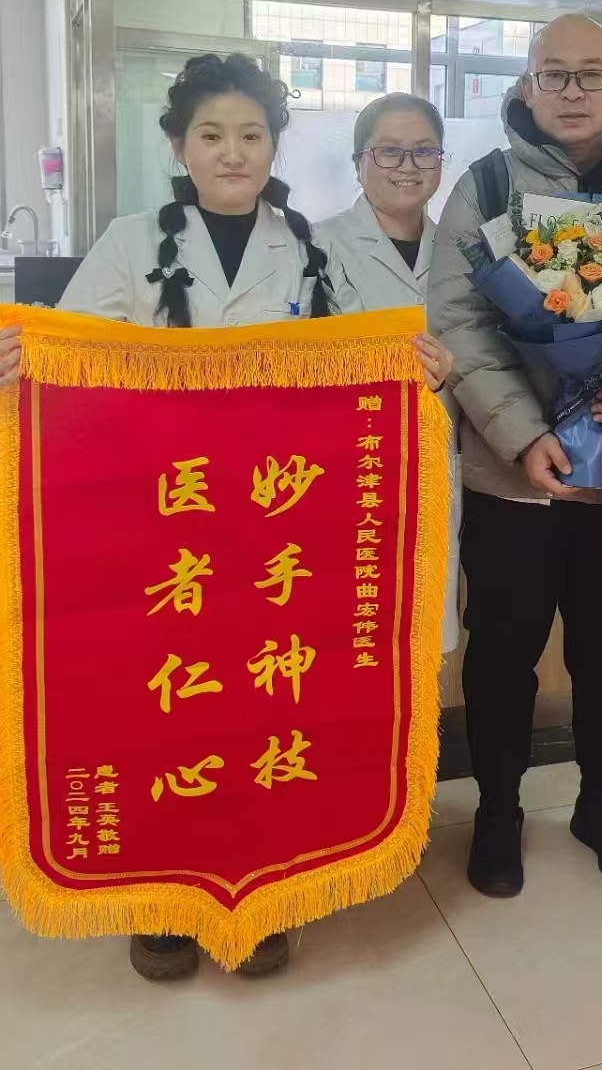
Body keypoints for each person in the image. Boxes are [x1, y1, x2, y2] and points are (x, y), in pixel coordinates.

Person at [0, 53, 451, 981]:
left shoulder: (311, 250)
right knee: (169, 710)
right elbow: (79, 363)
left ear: (275, 147)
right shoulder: (130, 242)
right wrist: (24, 362)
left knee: (260, 714)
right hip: (166, 531)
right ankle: (165, 901)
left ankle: (267, 888)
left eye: (251, 135)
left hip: (275, 534)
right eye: (211, 135)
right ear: (179, 146)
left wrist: (422, 369)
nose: (232, 152)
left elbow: (365, 358)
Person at [428, 13, 602, 899]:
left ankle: (600, 803)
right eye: (555, 74)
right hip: (513, 477)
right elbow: (458, 321)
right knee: (502, 651)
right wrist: (522, 432)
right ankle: (498, 812)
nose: (574, 91)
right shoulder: (485, 184)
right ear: (527, 86)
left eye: (593, 75)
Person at [317, 92, 460, 655]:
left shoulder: (463, 253)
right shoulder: (313, 247)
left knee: (417, 644)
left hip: (430, 466)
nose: (408, 166)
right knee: (343, 636)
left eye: (424, 151)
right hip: (345, 467)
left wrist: (451, 374)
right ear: (359, 162)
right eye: (388, 152)